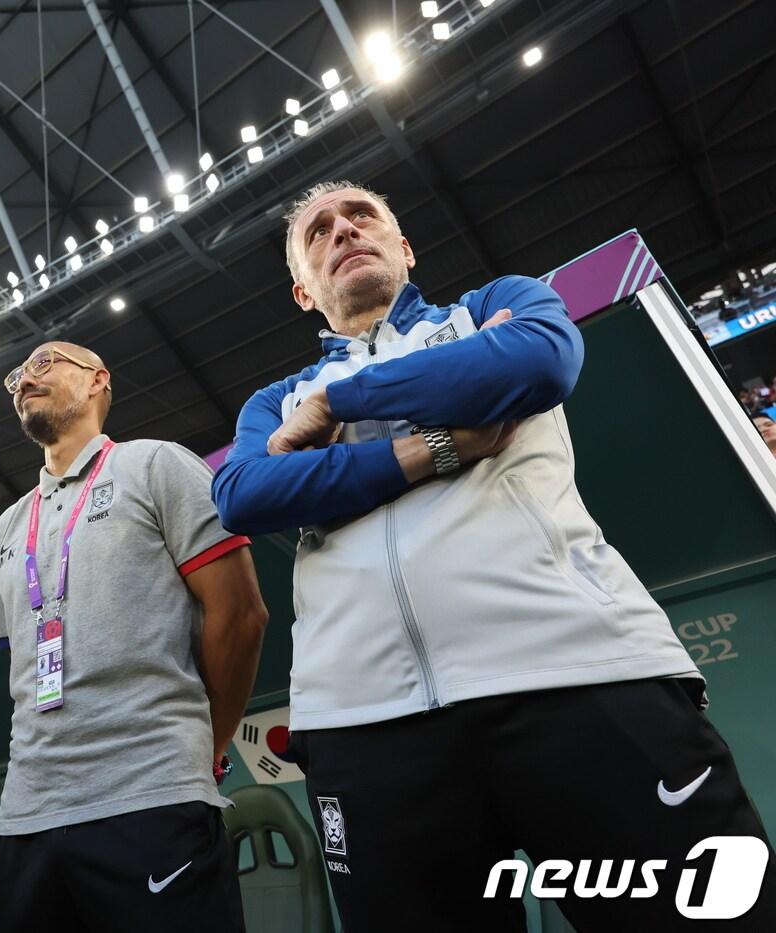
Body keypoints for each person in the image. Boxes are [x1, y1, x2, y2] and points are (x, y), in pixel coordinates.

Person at [212, 179, 775, 930]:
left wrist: (343, 403)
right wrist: (433, 448)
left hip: (578, 675)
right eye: (318, 232)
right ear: (302, 292)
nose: (343, 231)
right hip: (365, 725)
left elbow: (539, 363)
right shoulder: (272, 402)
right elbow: (245, 494)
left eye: (362, 216)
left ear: (405, 248)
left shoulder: (491, 306)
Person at [0, 342, 268, 933]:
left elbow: (240, 615)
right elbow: (26, 671)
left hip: (151, 795)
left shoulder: (157, 464)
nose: (23, 380)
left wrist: (205, 746)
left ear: (96, 381)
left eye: (45, 363)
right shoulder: (3, 529)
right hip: (25, 816)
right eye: (17, 374)